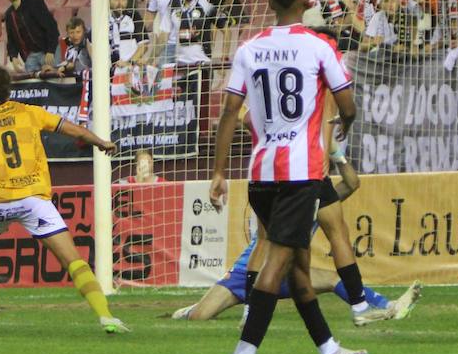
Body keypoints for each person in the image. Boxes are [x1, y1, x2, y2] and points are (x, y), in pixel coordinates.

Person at [209, 0, 366, 354]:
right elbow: (346, 103)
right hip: (300, 172)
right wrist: (346, 123)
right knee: (278, 262)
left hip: (260, 172)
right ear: (304, 0)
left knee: (298, 269)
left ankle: (331, 353)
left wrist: (219, 172)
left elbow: (228, 113)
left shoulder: (249, 48)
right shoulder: (318, 47)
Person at [0, 64, 129, 333]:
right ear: (9, 89)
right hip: (33, 199)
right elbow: (72, 129)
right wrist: (100, 142)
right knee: (72, 259)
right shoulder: (29, 113)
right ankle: (105, 316)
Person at [173, 137, 420, 323]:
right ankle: (191, 311)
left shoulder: (320, 200)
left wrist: (335, 152)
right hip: (254, 269)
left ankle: (388, 306)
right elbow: (262, 240)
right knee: (200, 317)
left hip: (288, 271)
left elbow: (352, 183)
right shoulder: (283, 195)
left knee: (334, 279)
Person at [0, 0, 59, 74]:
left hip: (47, 51)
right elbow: (11, 40)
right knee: (32, 85)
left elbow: (51, 27)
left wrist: (51, 50)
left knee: (53, 80)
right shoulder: (9, 14)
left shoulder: (35, 3)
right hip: (31, 56)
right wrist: (13, 57)